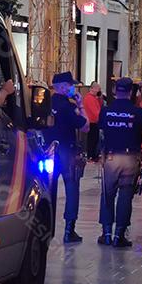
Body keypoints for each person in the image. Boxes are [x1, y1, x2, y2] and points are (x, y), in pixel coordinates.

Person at [96, 78, 142, 247]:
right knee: (125, 195)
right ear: (131, 92)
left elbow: (101, 133)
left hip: (110, 157)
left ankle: (107, 233)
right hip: (131, 157)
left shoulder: (106, 111)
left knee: (107, 194)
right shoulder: (137, 112)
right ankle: (119, 235)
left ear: (115, 91)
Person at [48, 72, 89, 244]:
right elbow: (86, 126)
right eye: (71, 85)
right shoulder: (68, 106)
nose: (73, 88)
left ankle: (46, 225)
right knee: (72, 189)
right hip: (67, 151)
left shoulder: (45, 103)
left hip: (48, 152)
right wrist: (81, 105)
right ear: (63, 86)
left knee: (47, 190)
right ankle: (69, 230)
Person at [82, 82, 104, 162]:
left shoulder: (94, 98)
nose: (99, 90)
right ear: (93, 88)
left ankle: (93, 155)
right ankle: (91, 156)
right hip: (92, 122)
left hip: (94, 121)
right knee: (92, 140)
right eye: (98, 88)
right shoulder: (89, 98)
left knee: (94, 139)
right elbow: (95, 112)